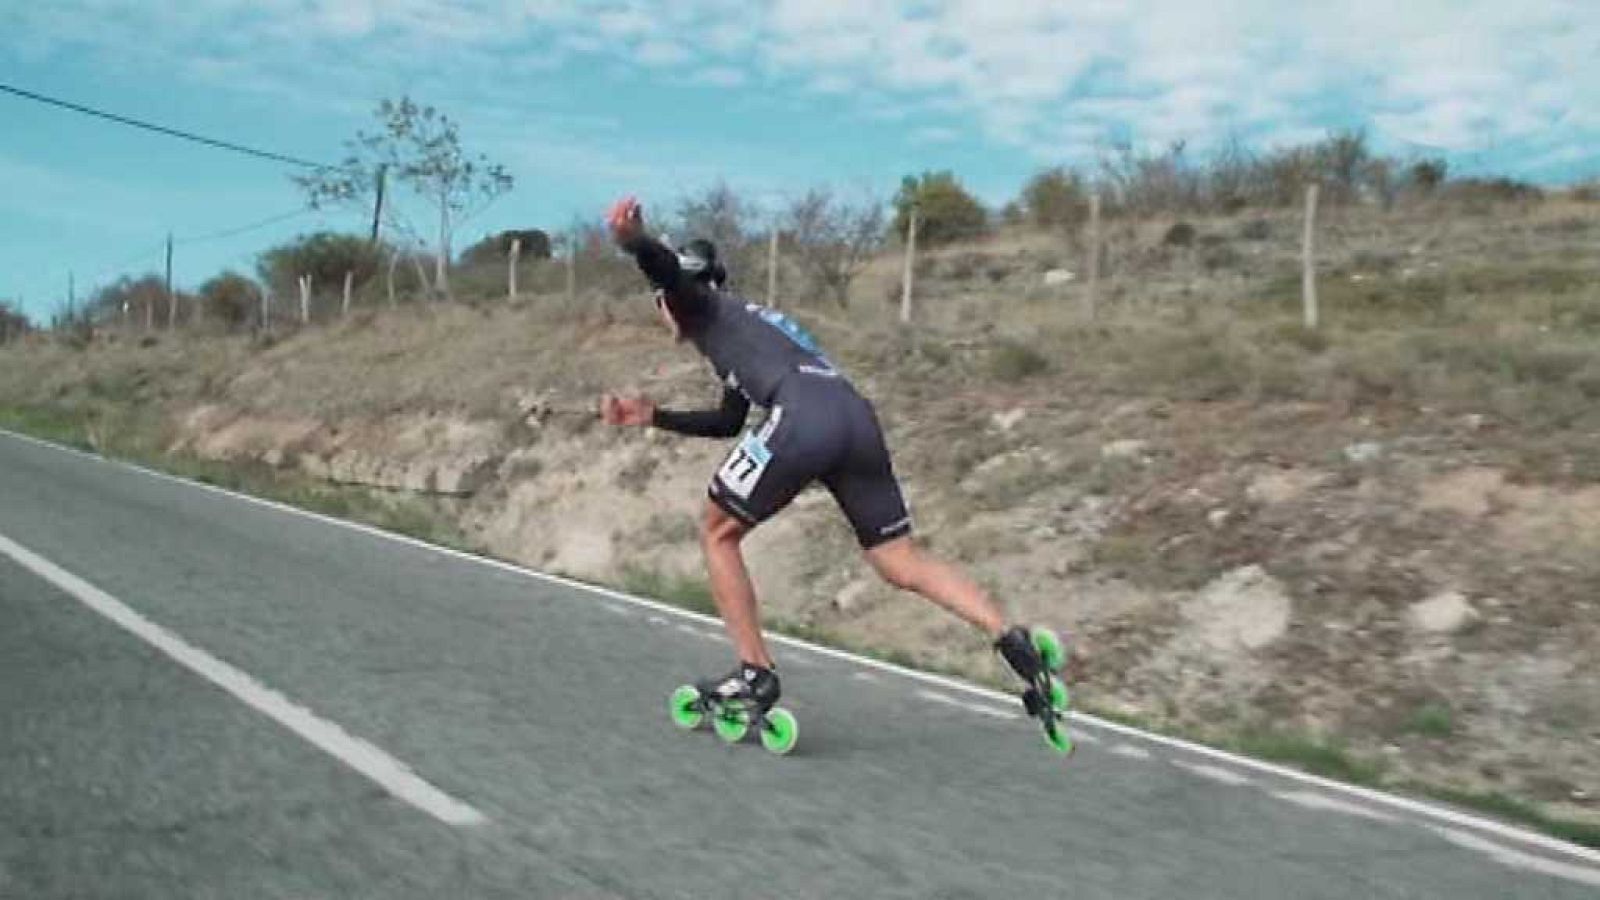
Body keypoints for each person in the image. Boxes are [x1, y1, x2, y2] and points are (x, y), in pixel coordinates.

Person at [599, 196, 1061, 729]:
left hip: (803, 413)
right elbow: (729, 422)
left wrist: (636, 243)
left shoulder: (696, 304)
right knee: (897, 559)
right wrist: (655, 416)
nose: (662, 312)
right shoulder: (746, 324)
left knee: (716, 532)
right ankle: (1011, 638)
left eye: (661, 302)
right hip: (852, 414)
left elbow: (666, 272)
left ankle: (754, 673)